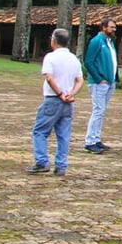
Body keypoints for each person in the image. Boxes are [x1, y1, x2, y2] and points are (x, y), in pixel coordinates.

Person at [27, 28, 84, 176]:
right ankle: (61, 165)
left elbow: (49, 78)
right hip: (68, 101)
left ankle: (41, 161)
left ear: (54, 40)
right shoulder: (74, 59)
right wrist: (71, 93)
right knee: (63, 134)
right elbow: (79, 80)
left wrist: (59, 93)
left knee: (40, 131)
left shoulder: (50, 57)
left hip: (53, 98)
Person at [83, 17, 118, 154]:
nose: (114, 29)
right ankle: (90, 141)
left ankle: (96, 138)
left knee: (101, 111)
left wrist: (114, 78)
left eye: (114, 27)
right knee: (98, 110)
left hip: (109, 82)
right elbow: (89, 61)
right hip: (99, 83)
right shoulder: (96, 41)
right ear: (103, 27)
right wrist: (98, 78)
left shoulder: (110, 42)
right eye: (111, 27)